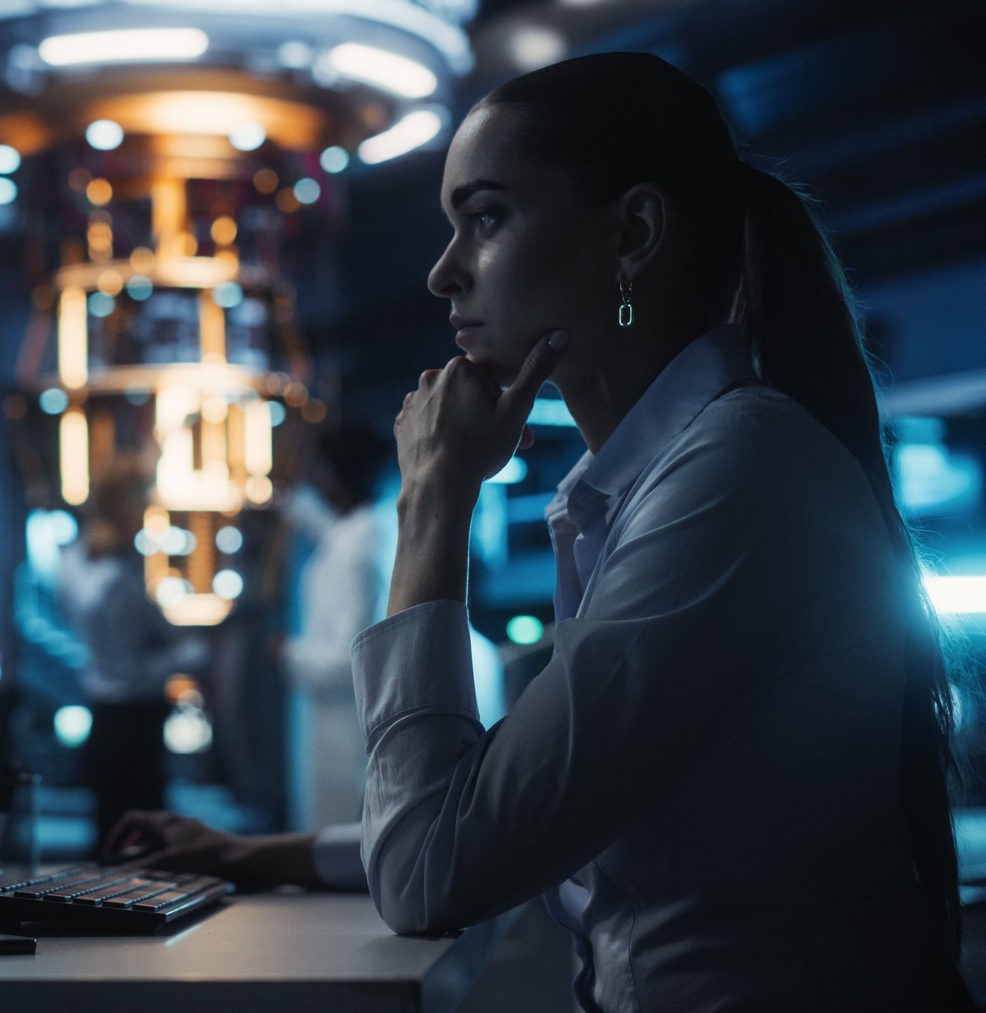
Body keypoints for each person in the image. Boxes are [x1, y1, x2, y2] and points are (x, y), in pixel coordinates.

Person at [103, 52, 967, 1010]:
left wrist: (434, 500)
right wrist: (261, 854)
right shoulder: (664, 481)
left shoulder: (736, 476)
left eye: (486, 218)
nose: (442, 273)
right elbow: (527, 792)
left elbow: (433, 874)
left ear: (633, 232)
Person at [58, 460, 207, 849]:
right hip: (130, 729)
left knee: (112, 844)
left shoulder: (75, 561)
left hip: (107, 722)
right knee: (141, 852)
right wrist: (194, 654)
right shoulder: (117, 577)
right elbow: (128, 673)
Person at [281, 424, 394, 831]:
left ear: (332, 475)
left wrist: (287, 652)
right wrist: (289, 501)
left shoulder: (360, 547)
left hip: (347, 730)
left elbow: (348, 661)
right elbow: (332, 534)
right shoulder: (359, 533)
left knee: (343, 842)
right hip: (336, 726)